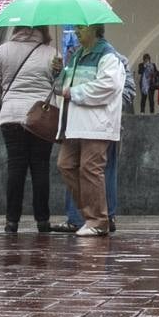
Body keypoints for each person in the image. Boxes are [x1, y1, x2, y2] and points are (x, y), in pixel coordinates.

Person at [0, 26, 58, 234]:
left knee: (16, 168)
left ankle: (11, 220)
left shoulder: (3, 50)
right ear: (43, 29)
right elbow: (59, 86)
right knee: (40, 168)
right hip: (40, 117)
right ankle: (42, 220)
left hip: (11, 116)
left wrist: (2, 100)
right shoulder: (52, 54)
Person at [54, 24, 125, 236]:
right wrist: (59, 73)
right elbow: (62, 87)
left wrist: (74, 93)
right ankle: (92, 214)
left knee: (90, 169)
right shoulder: (77, 55)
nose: (76, 31)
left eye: (81, 28)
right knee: (66, 165)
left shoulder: (107, 55)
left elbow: (108, 86)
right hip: (75, 124)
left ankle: (98, 220)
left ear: (95, 29)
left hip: (96, 124)